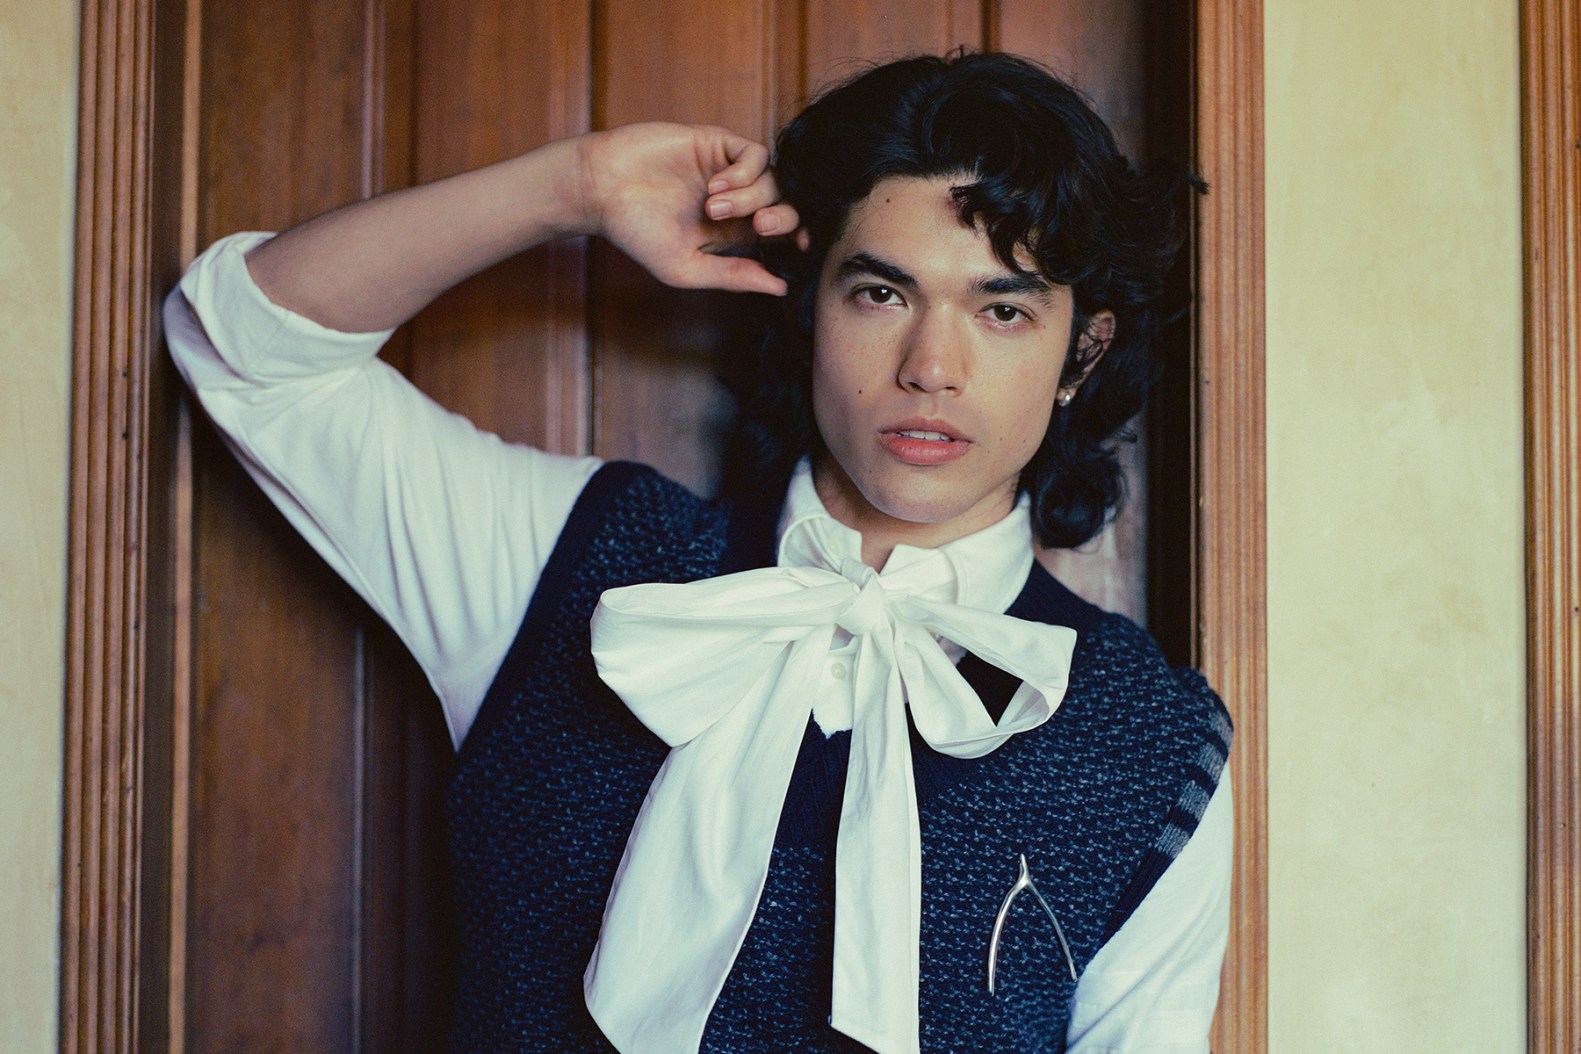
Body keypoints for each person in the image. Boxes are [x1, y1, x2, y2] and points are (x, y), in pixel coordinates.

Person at [165, 50, 1231, 1054]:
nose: (931, 366)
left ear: (1080, 353)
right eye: (881, 293)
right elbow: (245, 349)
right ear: (811, 306)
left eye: (1001, 309)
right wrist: (575, 185)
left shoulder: (1152, 741)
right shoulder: (573, 563)